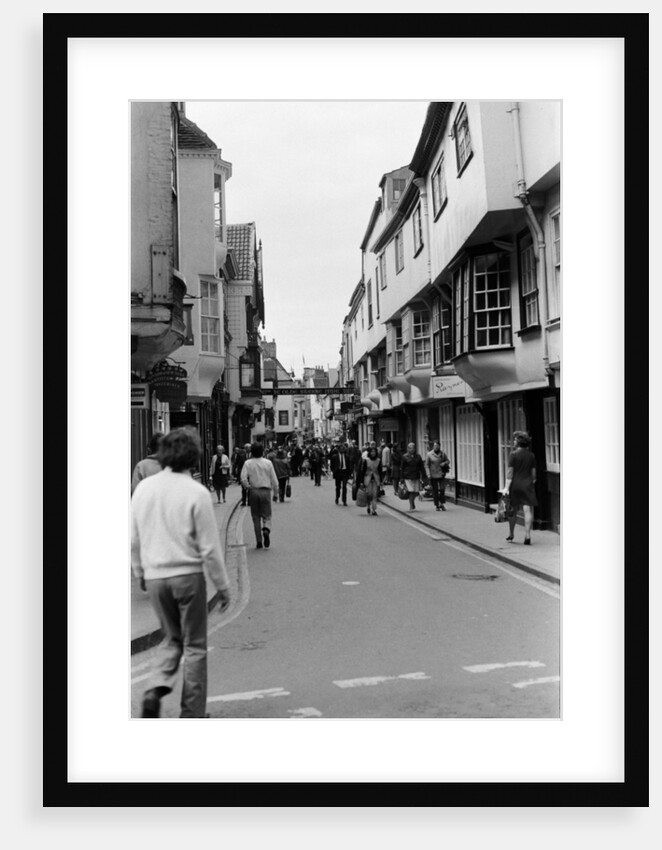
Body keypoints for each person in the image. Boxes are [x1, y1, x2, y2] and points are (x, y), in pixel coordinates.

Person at [131, 427, 231, 718]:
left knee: (172, 638)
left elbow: (133, 538)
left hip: (155, 578)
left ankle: (154, 688)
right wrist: (222, 587)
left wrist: (140, 572)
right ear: (193, 455)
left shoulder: (144, 490)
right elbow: (210, 548)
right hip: (187, 577)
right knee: (195, 646)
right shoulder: (196, 492)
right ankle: (192, 713)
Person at [240, 442, 280, 549]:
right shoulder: (268, 463)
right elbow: (275, 481)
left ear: (251, 452)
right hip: (266, 491)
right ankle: (266, 529)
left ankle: (259, 541)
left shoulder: (248, 463)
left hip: (254, 491)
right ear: (262, 451)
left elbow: (243, 478)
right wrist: (275, 494)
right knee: (267, 515)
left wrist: (248, 487)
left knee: (256, 517)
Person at [502, 431, 538, 545]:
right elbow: (533, 473)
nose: (513, 441)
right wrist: (532, 481)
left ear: (518, 442)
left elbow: (510, 472)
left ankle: (511, 534)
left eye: (515, 440)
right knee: (527, 510)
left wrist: (506, 488)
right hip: (527, 484)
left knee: (513, 510)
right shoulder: (531, 455)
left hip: (515, 485)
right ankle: (527, 535)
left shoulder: (513, 454)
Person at [424, 441, 451, 511]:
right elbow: (426, 465)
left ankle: (442, 503)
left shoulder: (443, 454)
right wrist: (428, 474)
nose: (436, 447)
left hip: (441, 474)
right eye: (434, 446)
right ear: (433, 447)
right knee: (435, 490)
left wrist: (444, 463)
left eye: (437, 446)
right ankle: (437, 505)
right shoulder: (429, 454)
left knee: (442, 489)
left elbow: (448, 461)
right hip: (433, 474)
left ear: (439, 446)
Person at [400, 442, 426, 511]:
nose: (412, 449)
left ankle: (412, 502)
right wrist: (401, 478)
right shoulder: (404, 456)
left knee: (416, 492)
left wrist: (424, 476)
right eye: (410, 448)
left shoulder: (418, 456)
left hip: (416, 475)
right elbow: (402, 468)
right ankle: (411, 506)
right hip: (408, 476)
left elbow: (421, 467)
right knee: (411, 491)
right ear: (408, 449)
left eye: (413, 448)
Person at [358, 444, 382, 516]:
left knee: (374, 495)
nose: (373, 453)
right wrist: (361, 481)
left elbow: (380, 471)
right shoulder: (366, 460)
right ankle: (368, 505)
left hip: (376, 479)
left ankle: (373, 510)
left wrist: (381, 481)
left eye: (374, 452)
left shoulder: (378, 460)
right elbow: (363, 471)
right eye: (372, 452)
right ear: (370, 453)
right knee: (368, 494)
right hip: (367, 479)